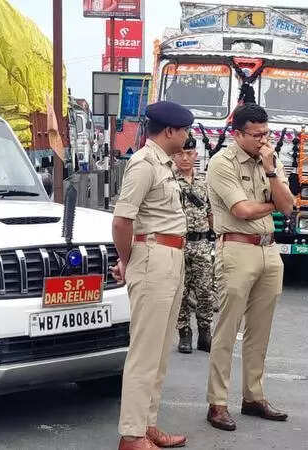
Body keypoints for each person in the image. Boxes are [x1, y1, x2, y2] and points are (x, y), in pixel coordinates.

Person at [204, 103, 294, 432]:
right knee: (227, 328)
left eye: (266, 133)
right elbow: (241, 210)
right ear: (237, 134)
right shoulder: (222, 163)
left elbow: (289, 206)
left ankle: (253, 396)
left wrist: (271, 172)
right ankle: (217, 402)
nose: (263, 140)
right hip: (236, 247)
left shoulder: (270, 161)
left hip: (269, 250)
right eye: (256, 135)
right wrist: (273, 204)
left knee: (260, 330)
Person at [111, 100, 194, 450]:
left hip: (170, 255)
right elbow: (122, 220)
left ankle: (147, 425)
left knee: (159, 351)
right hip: (152, 256)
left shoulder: (164, 164)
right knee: (145, 352)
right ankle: (131, 435)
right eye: (184, 130)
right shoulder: (144, 163)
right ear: (170, 131)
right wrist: (127, 260)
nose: (187, 136)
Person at [172, 147, 214, 354]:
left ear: (196, 155)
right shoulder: (170, 181)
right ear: (174, 156)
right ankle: (184, 333)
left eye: (189, 153)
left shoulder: (204, 182)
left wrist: (217, 236)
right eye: (180, 154)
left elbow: (211, 211)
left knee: (205, 290)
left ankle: (205, 333)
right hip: (179, 243)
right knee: (181, 291)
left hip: (202, 243)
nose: (185, 158)